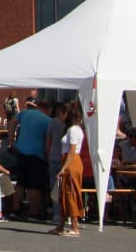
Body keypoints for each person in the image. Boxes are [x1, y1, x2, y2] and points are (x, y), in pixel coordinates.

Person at [10, 96, 50, 220]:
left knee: (20, 183)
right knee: (34, 185)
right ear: (48, 109)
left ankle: (15, 210)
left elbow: (11, 123)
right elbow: (49, 141)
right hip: (38, 155)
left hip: (22, 152)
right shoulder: (48, 120)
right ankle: (34, 212)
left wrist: (11, 142)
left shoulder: (24, 114)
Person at [50, 101, 85, 237]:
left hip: (71, 162)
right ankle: (60, 226)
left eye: (61, 113)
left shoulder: (73, 130)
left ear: (67, 114)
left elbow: (72, 151)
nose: (59, 115)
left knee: (71, 194)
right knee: (63, 194)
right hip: (68, 161)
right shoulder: (71, 129)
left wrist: (63, 168)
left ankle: (75, 227)